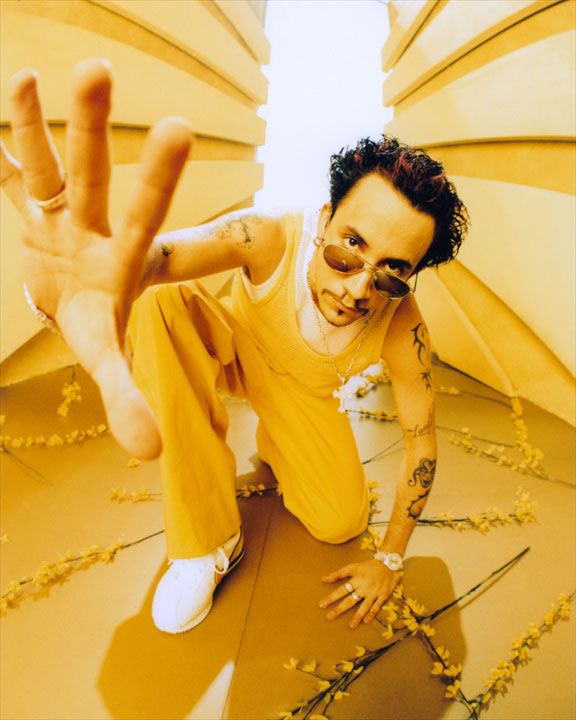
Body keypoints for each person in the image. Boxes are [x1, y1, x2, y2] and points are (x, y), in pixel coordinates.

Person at [1, 59, 468, 634]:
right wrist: (102, 277)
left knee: (340, 522)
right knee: (157, 302)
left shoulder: (403, 326)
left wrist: (389, 559)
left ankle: (276, 445)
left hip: (302, 395)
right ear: (326, 217)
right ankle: (209, 541)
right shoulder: (268, 235)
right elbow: (164, 258)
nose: (357, 288)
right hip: (231, 351)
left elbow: (422, 445)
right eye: (350, 246)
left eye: (393, 271)